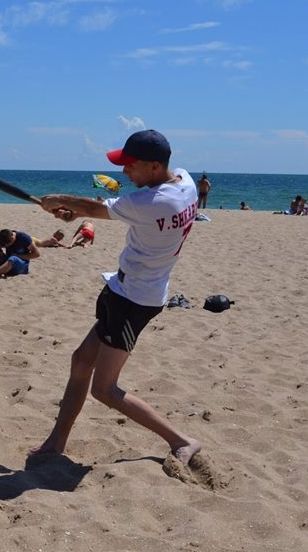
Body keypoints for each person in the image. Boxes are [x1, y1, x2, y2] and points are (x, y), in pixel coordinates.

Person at [29, 129, 202, 465]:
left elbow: (96, 209)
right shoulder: (185, 182)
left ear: (153, 167)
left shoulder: (153, 201)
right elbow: (97, 211)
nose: (124, 171)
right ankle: (56, 442)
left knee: (104, 389)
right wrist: (74, 212)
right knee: (81, 361)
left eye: (130, 165)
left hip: (136, 300)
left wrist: (60, 201)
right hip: (123, 287)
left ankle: (182, 440)